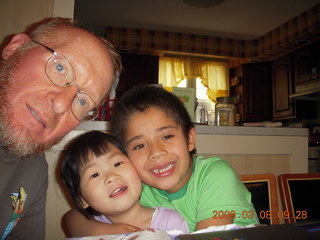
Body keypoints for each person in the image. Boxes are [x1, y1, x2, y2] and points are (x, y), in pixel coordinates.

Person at [65, 85, 259, 236]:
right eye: (139, 146)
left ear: (189, 139)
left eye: (166, 136)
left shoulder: (215, 175)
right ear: (127, 156)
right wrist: (104, 232)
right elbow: (71, 218)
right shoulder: (138, 187)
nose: (156, 153)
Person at [0, 17, 122, 239]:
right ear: (15, 47)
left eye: (83, 102)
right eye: (60, 67)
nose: (61, 104)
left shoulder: (33, 170)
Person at [61, 130, 189, 238]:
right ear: (82, 199)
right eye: (94, 175)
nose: (111, 176)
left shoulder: (172, 224)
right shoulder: (88, 230)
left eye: (117, 164)